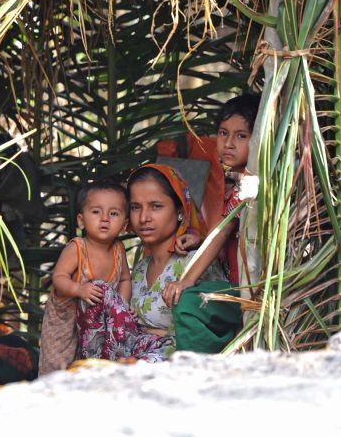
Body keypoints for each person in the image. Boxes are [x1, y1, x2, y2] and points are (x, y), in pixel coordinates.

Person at [163, 93, 261, 306]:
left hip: (247, 291)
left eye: (241, 136)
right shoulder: (236, 182)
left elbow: (223, 231)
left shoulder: (250, 184)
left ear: (258, 139)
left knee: (188, 302)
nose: (229, 143)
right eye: (223, 133)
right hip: (237, 285)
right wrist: (200, 239)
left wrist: (186, 280)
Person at [127, 164, 227, 356]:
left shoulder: (195, 264)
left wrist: (164, 334)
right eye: (135, 207)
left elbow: (217, 328)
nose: (143, 217)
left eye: (156, 206)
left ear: (180, 210)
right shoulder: (139, 270)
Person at [38, 181, 133, 374]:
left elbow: (124, 279)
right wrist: (78, 289)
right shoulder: (77, 248)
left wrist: (122, 306)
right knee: (58, 366)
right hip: (65, 322)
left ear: (124, 225)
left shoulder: (118, 249)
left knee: (90, 365)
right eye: (96, 212)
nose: (105, 218)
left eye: (113, 213)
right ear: (81, 221)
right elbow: (59, 277)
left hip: (96, 324)